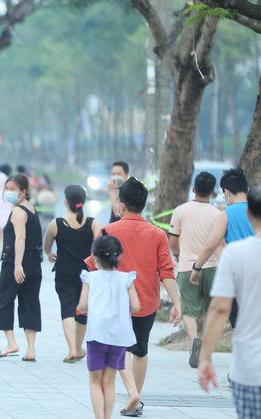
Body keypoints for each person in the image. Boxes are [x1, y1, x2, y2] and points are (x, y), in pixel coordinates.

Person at [84, 177, 182, 416]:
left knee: (119, 349)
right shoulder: (158, 234)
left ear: (121, 205)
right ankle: (135, 398)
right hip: (146, 302)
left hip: (113, 304)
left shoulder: (107, 231)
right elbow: (166, 271)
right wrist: (177, 302)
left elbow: (92, 266)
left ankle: (130, 395)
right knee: (140, 349)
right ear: (143, 205)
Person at [198, 182, 261, 419]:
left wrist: (205, 357)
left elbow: (220, 309)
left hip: (249, 369)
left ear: (250, 214)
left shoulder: (234, 254)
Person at [78, 232, 140, 419]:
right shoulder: (126, 279)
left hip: (97, 334)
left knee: (95, 381)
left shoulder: (90, 278)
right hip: (119, 336)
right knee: (110, 381)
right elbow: (136, 306)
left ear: (95, 257)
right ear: (119, 256)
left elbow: (82, 306)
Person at [169, 171, 224, 368]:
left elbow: (173, 240)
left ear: (194, 189)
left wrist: (177, 254)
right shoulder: (218, 213)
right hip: (212, 267)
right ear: (213, 192)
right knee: (211, 309)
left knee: (190, 310)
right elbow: (220, 242)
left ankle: (193, 339)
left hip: (186, 266)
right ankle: (207, 349)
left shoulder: (181, 211)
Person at [44, 185, 101, 363]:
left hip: (64, 272)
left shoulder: (56, 224)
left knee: (67, 309)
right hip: (87, 273)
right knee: (82, 310)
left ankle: (71, 350)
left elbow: (47, 247)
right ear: (83, 202)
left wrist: (49, 254)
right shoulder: (93, 223)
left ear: (66, 201)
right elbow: (100, 246)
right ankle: (77, 348)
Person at [192, 168, 254, 328]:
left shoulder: (226, 215)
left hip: (236, 279)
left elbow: (211, 245)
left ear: (226, 192)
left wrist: (196, 267)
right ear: (247, 189)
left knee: (240, 327)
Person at [0, 174, 43, 362]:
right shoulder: (31, 208)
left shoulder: (19, 212)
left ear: (23, 192)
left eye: (13, 188)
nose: (8, 192)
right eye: (7, 188)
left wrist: (17, 265)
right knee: (29, 303)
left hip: (17, 262)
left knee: (3, 302)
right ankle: (31, 349)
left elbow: (20, 238)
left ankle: (11, 343)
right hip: (34, 263)